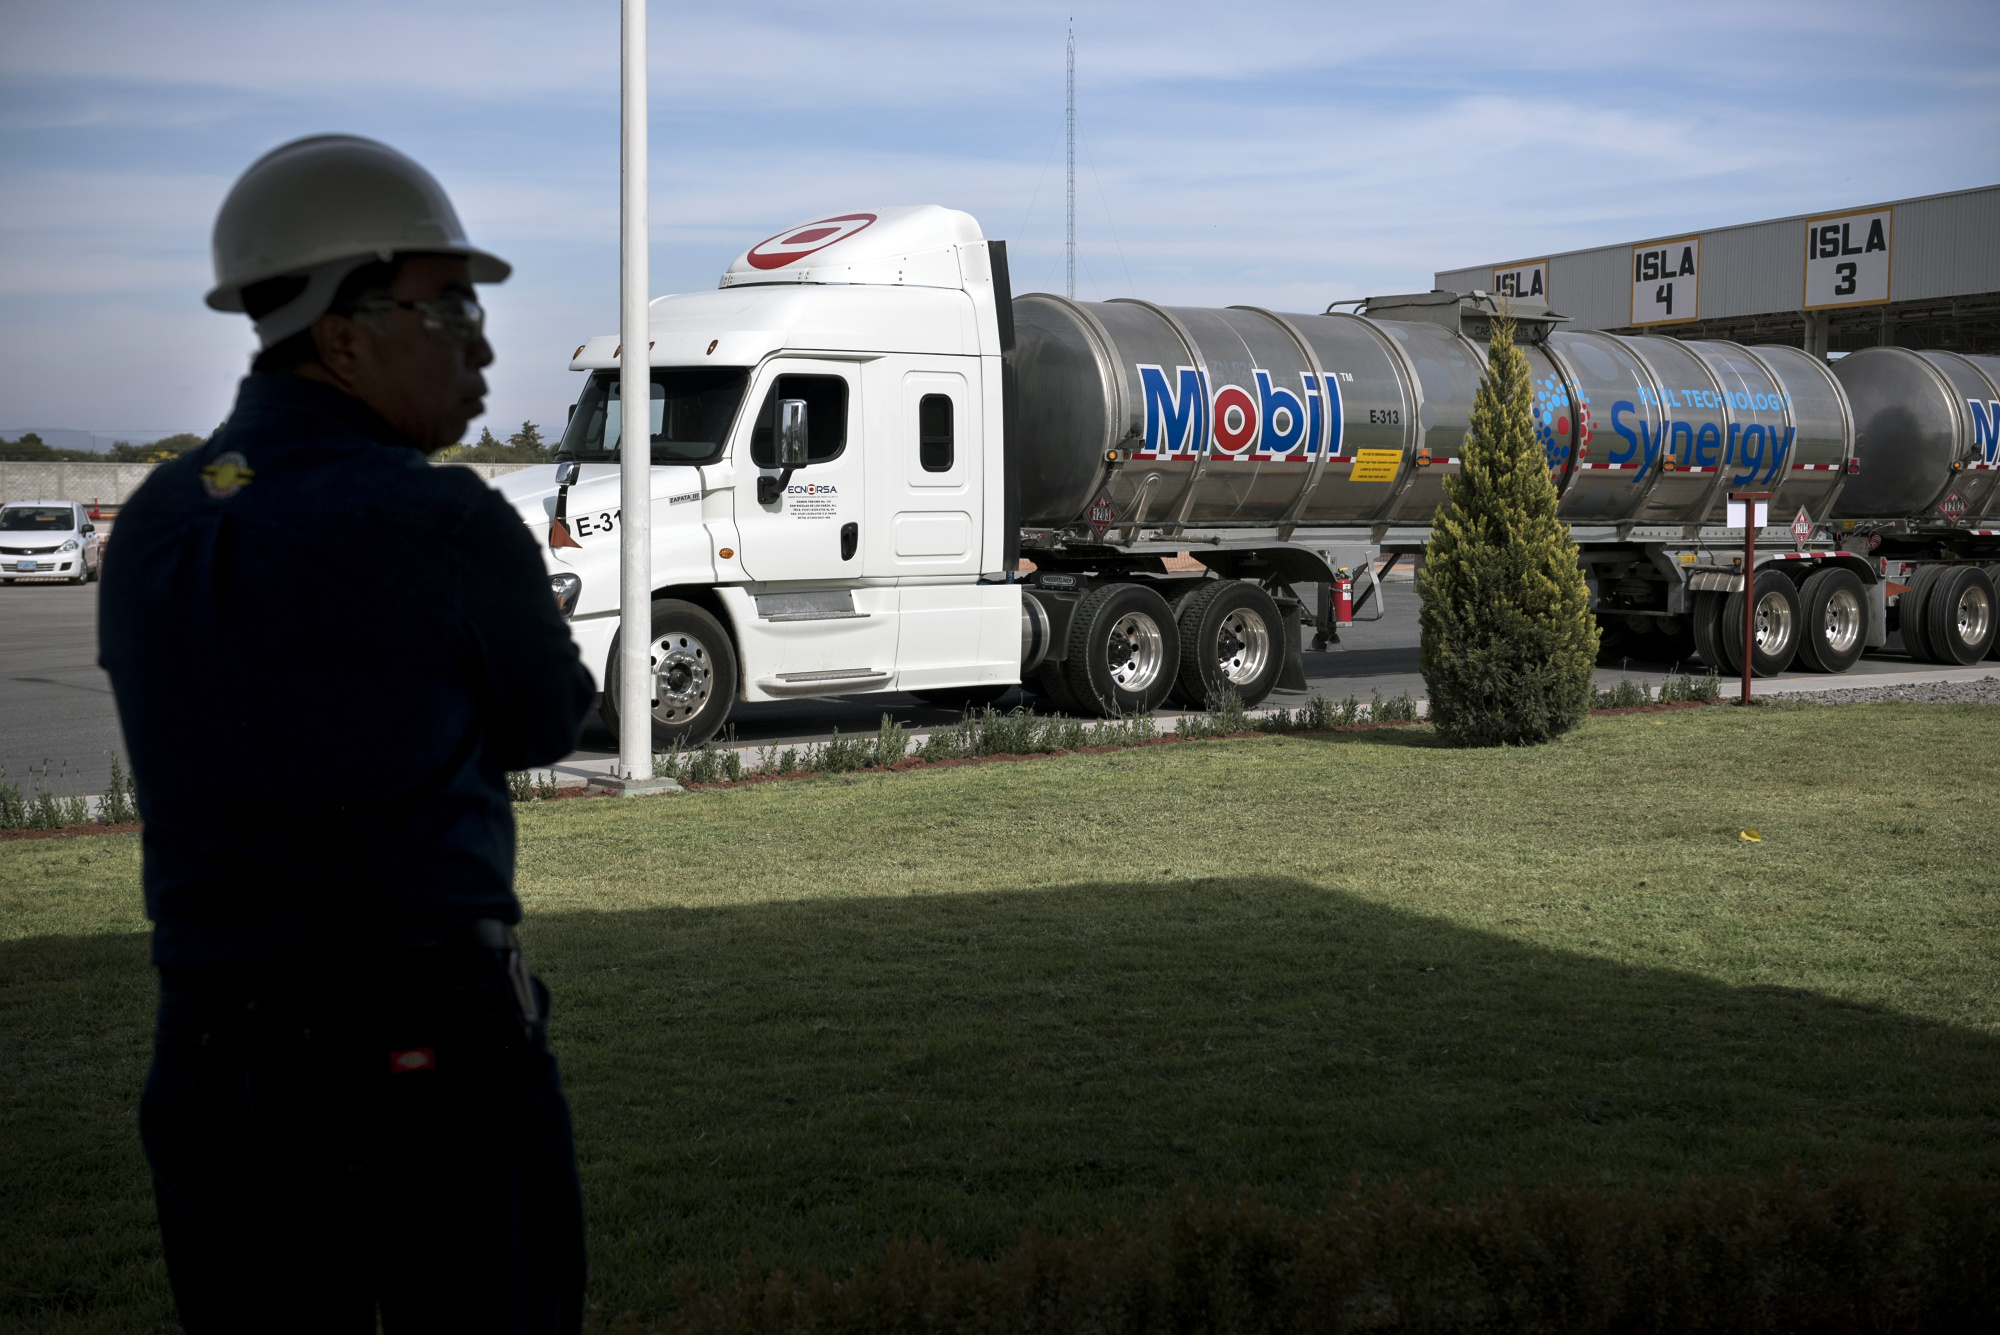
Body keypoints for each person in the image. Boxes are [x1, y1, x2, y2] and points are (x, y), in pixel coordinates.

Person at [99, 135, 597, 1334]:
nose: (480, 343)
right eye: (451, 306)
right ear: (341, 333)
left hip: (215, 1058)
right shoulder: (440, 519)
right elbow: (545, 719)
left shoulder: (161, 517)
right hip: (424, 1051)